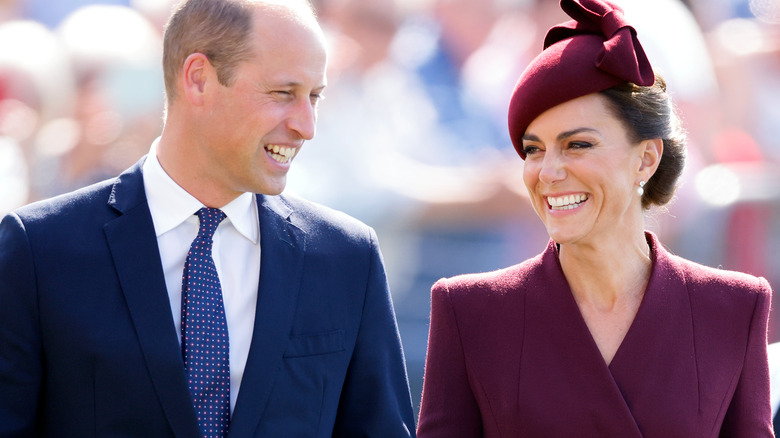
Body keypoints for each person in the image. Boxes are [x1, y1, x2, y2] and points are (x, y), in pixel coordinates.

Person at [0, 0, 416, 436]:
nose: (307, 125)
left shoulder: (346, 257)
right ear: (199, 79)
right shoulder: (41, 249)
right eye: (283, 93)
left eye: (314, 96)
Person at [416, 0, 774, 436]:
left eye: (577, 145)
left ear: (645, 159)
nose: (548, 172)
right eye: (533, 149)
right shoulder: (469, 311)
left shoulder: (734, 308)